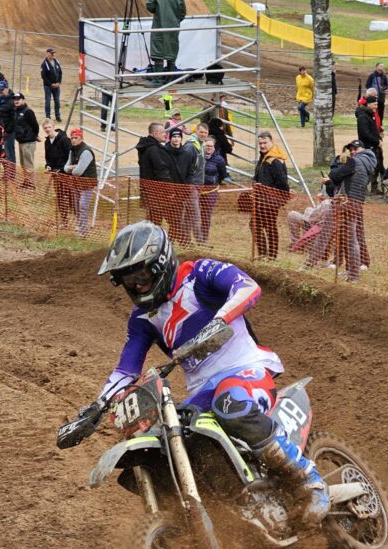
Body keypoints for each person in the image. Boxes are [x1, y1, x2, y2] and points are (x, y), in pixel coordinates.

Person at [90, 221, 329, 527]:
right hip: (202, 393)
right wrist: (95, 408)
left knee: (230, 405)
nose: (137, 286)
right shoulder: (142, 318)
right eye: (128, 281)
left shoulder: (198, 274)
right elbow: (125, 370)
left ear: (161, 263)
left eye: (141, 277)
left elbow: (248, 287)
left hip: (245, 369)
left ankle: (309, 481)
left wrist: (220, 319)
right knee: (173, 439)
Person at [325, 139, 376, 281]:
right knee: (352, 235)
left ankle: (358, 265)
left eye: (356, 149)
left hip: (351, 200)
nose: (353, 151)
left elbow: (334, 174)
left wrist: (337, 170)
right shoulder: (365, 161)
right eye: (351, 149)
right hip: (355, 199)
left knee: (353, 237)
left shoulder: (357, 161)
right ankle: (353, 265)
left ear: (363, 149)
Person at [251, 131, 290, 260]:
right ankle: (263, 253)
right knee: (255, 225)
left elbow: (283, 182)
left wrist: (281, 198)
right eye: (260, 143)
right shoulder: (264, 157)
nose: (262, 145)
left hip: (270, 200)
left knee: (269, 226)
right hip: (260, 199)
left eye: (265, 143)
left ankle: (272, 256)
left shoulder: (275, 160)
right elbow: (259, 176)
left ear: (271, 142)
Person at [136, 122, 175, 225]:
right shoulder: (154, 150)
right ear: (154, 134)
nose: (165, 134)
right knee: (174, 222)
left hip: (150, 191)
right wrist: (170, 190)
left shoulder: (146, 147)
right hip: (158, 193)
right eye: (162, 132)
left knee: (154, 222)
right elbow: (161, 171)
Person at [165, 128, 197, 245]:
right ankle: (179, 240)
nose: (176, 139)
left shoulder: (186, 153)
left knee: (177, 218)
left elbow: (191, 170)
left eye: (178, 137)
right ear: (170, 138)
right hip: (168, 191)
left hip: (182, 190)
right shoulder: (165, 152)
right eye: (174, 136)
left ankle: (173, 241)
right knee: (172, 218)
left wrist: (188, 185)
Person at [63, 128, 97, 235]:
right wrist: (73, 167)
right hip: (76, 182)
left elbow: (78, 171)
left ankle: (83, 231)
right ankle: (79, 224)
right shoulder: (72, 150)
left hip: (87, 183)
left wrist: (72, 168)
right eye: (72, 138)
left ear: (81, 138)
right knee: (76, 205)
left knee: (83, 206)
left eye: (76, 138)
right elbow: (65, 168)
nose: (73, 140)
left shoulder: (86, 152)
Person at [288, 193, 334, 265]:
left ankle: (296, 244)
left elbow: (313, 218)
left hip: (316, 231)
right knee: (308, 209)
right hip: (321, 234)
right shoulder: (338, 204)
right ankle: (298, 245)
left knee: (292, 214)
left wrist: (319, 202)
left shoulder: (326, 203)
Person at [146, 0, 186, 80]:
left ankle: (157, 80)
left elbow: (150, 6)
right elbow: (182, 13)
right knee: (171, 52)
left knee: (158, 52)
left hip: (159, 25)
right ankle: (169, 79)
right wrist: (175, 20)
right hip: (173, 26)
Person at [200, 137, 226, 242]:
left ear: (214, 147)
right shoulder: (198, 156)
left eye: (211, 146)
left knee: (206, 215)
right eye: (207, 145)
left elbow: (223, 174)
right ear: (203, 146)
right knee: (194, 214)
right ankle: (196, 237)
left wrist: (213, 181)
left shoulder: (219, 160)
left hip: (211, 191)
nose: (209, 148)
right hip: (197, 189)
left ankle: (204, 238)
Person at [355, 95, 382, 193]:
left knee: (377, 166)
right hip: (367, 147)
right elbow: (365, 133)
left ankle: (374, 187)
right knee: (367, 167)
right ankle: (363, 188)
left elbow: (372, 129)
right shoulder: (363, 116)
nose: (376, 107)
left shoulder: (370, 114)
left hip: (373, 146)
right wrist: (377, 141)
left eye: (377, 104)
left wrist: (379, 137)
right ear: (369, 104)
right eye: (375, 104)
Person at [12, 92, 40, 189]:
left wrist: (34, 136)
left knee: (28, 163)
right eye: (15, 99)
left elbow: (35, 126)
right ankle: (26, 181)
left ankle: (31, 184)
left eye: (18, 99)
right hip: (21, 141)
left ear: (23, 100)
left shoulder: (28, 111)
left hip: (28, 141)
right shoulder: (16, 111)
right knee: (23, 164)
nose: (16, 101)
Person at [0, 86, 17, 165]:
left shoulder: (12, 101)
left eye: (2, 89)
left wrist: (7, 131)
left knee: (9, 152)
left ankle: (11, 171)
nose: (0, 91)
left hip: (9, 132)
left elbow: (14, 118)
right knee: (1, 152)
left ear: (7, 89)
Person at [41, 47, 63, 121]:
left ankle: (57, 116)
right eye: (52, 53)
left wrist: (59, 82)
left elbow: (60, 73)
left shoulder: (57, 62)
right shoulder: (44, 64)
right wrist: (51, 84)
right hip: (48, 86)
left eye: (54, 53)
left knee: (57, 101)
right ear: (47, 54)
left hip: (56, 86)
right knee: (48, 101)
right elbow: (43, 76)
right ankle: (48, 117)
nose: (53, 54)